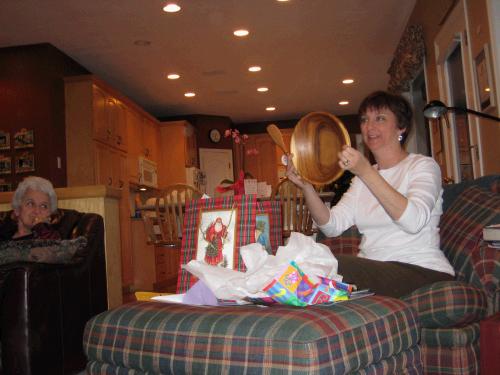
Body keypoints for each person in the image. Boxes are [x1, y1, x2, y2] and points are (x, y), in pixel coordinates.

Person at [286, 91, 455, 298]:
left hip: (421, 270)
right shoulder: (362, 179)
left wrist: (365, 171)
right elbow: (331, 226)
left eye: (380, 118)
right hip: (375, 269)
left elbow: (413, 221)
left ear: (401, 127)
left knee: (321, 264)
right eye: (365, 120)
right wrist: (306, 187)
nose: (369, 126)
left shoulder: (423, 166)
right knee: (300, 261)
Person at [1, 176, 61, 240]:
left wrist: (40, 227)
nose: (37, 211)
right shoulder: (3, 236)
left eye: (43, 206)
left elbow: (51, 246)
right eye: (30, 204)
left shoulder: (54, 238)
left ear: (49, 213)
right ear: (17, 209)